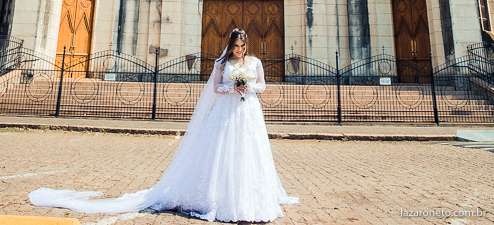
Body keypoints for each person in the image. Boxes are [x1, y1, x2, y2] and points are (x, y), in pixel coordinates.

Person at [29, 28, 298, 222]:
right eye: (236, 46)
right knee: (222, 153)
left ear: (247, 46)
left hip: (248, 113)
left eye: (242, 46)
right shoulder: (222, 62)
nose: (239, 50)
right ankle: (220, 197)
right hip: (228, 110)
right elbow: (216, 87)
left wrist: (248, 87)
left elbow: (262, 85)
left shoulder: (254, 62)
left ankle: (250, 196)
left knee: (250, 153)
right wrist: (232, 89)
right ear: (231, 45)